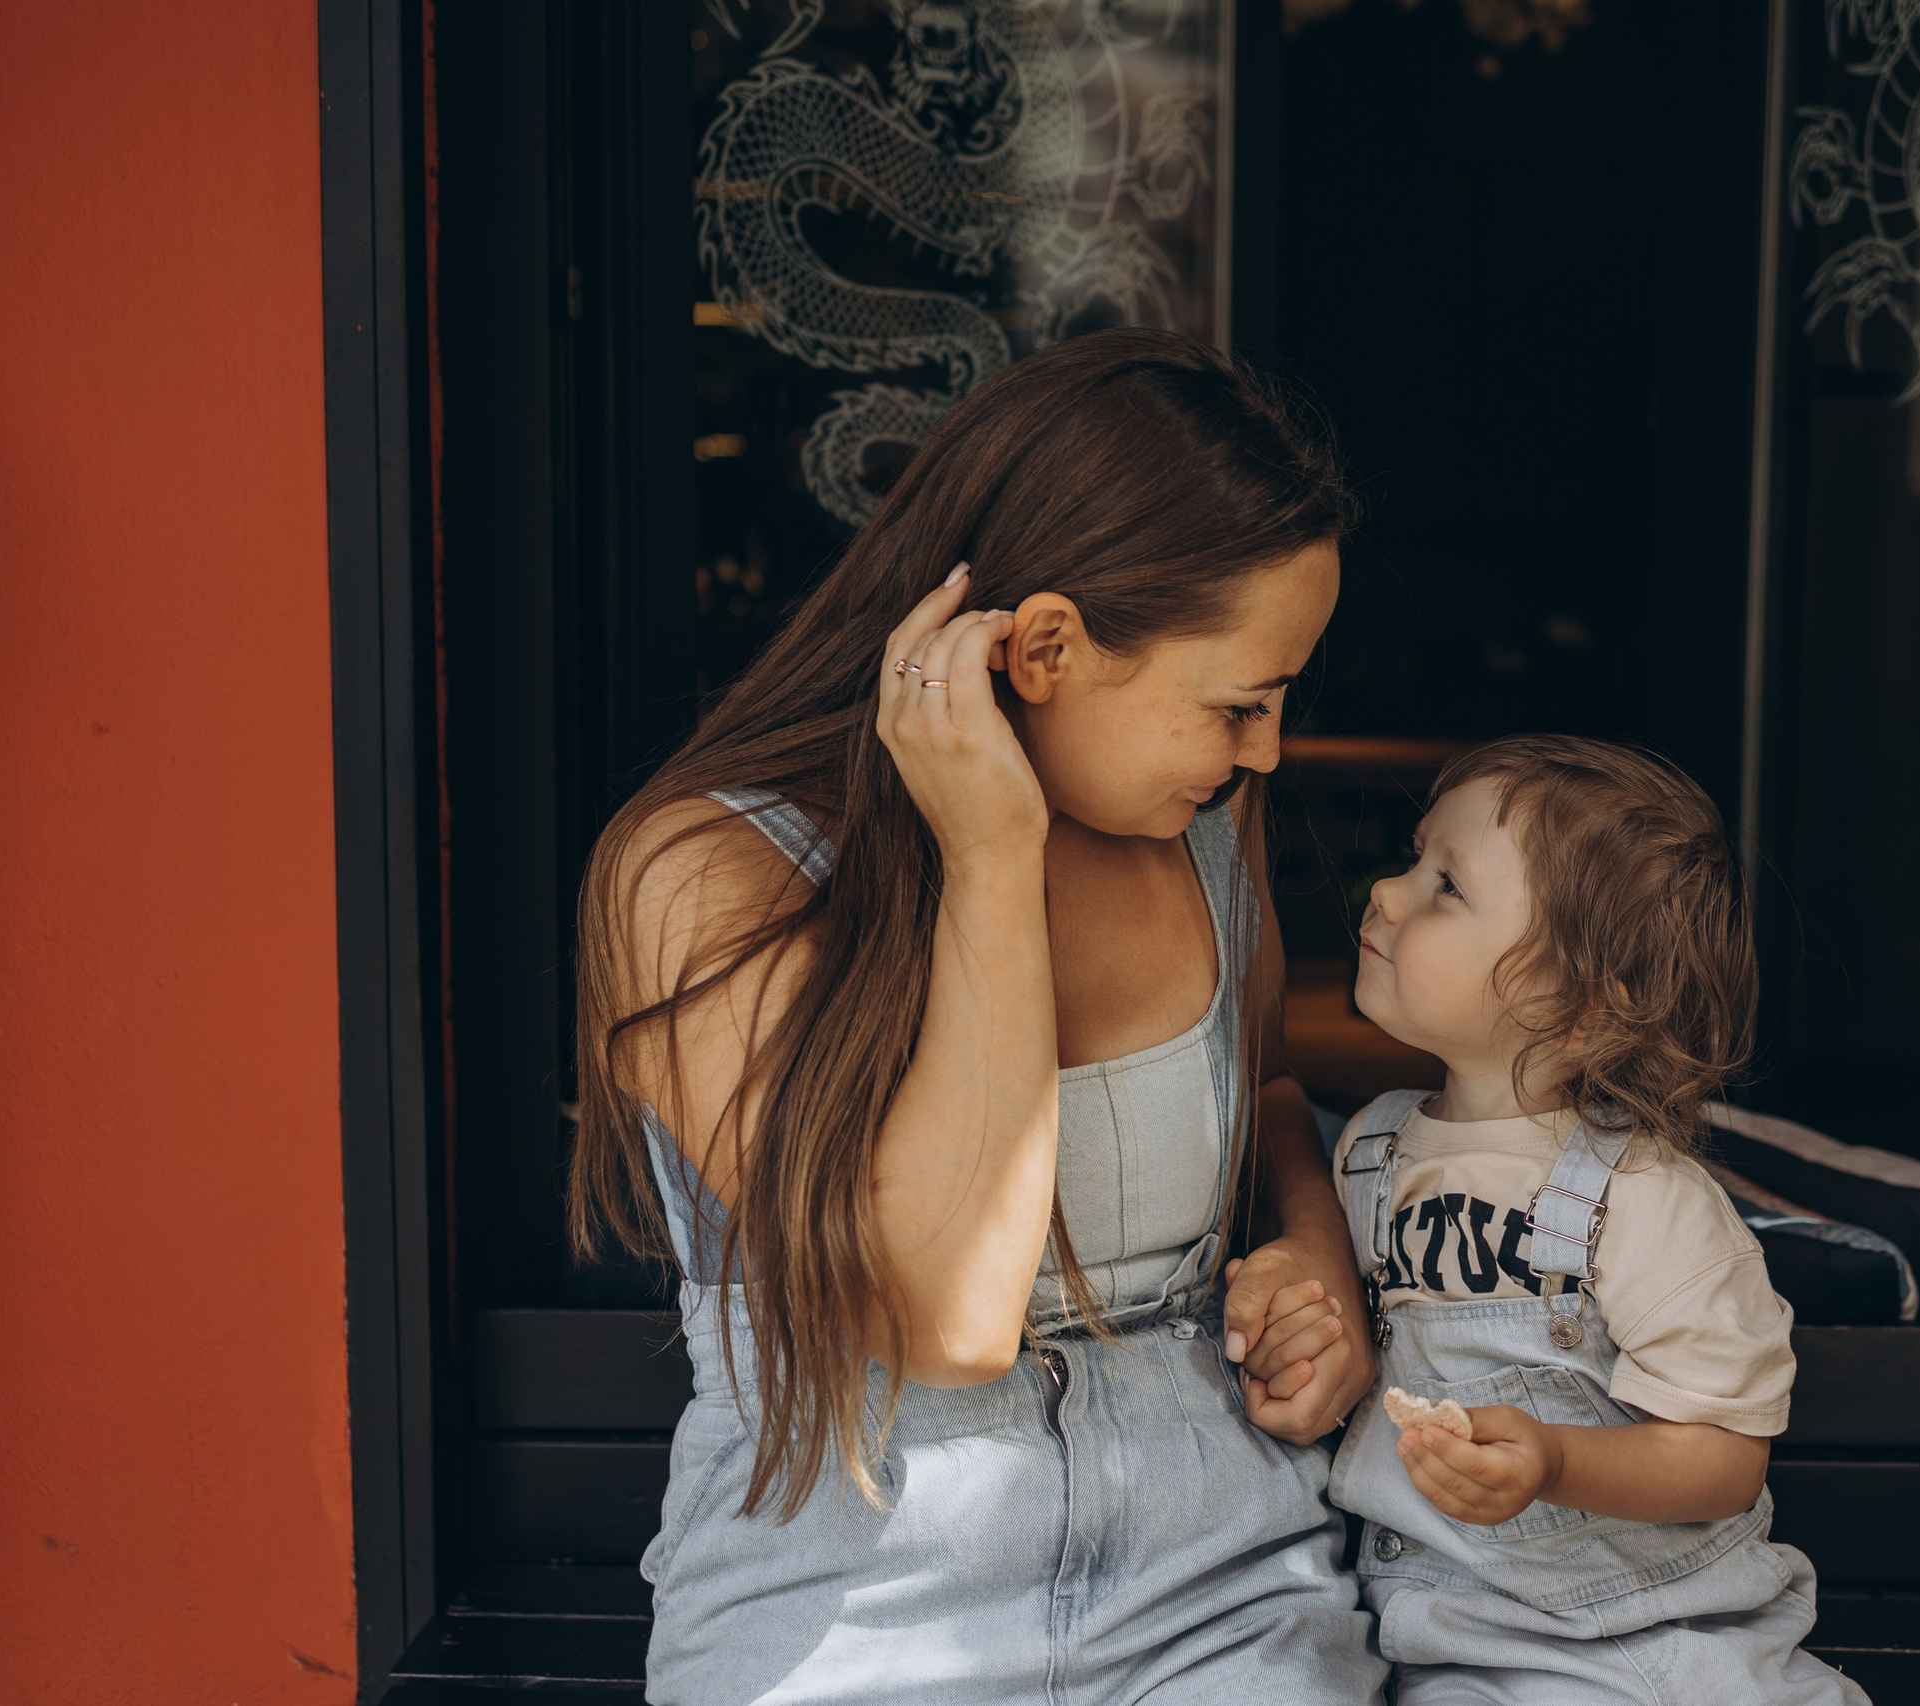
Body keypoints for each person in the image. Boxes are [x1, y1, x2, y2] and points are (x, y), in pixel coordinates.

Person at [569, 330, 1388, 1704]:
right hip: (848, 1613)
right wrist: (989, 859)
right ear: (1049, 647)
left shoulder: (1200, 832)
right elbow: (943, 1314)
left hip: (1219, 1590)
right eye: (1240, 702)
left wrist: (1318, 1267)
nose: (1267, 753)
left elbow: (1275, 1092)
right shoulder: (699, 871)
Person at [1327, 735, 1870, 1704]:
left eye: (1445, 885)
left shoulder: (1642, 1201)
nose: (1387, 890)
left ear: (1575, 1007)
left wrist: (1554, 1460)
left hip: (1630, 1643)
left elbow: (1723, 1456)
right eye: (1415, 856)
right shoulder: (1369, 1154)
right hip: (1437, 1633)